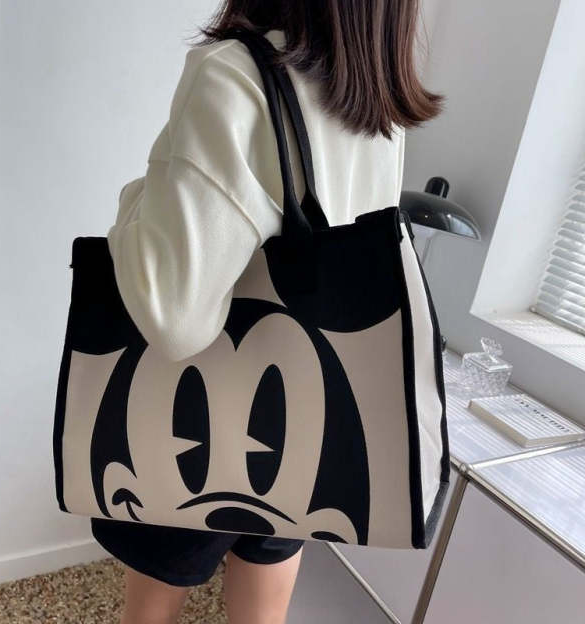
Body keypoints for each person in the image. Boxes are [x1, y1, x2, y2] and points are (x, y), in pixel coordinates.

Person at [92, 1, 444, 623]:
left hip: (197, 418)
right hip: (309, 415)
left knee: (151, 611)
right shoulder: (375, 99)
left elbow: (174, 318)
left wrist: (136, 200)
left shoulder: (234, 73)